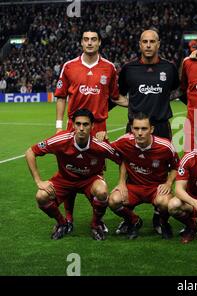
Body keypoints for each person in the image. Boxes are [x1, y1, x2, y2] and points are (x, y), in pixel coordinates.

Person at [54, 29, 120, 231]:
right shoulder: (69, 66)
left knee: (96, 174)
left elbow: (116, 97)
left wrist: (144, 104)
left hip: (99, 129)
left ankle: (96, 221)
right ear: (81, 43)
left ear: (99, 42)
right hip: (73, 128)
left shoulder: (109, 68)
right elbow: (61, 96)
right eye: (86, 39)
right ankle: (69, 219)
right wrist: (58, 127)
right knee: (69, 173)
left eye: (93, 39)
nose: (89, 43)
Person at [117, 29, 180, 234]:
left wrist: (162, 102)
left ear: (158, 44)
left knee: (162, 169)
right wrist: (133, 105)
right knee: (130, 167)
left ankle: (159, 215)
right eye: (145, 41)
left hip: (161, 125)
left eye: (152, 41)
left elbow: (177, 89)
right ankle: (129, 217)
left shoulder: (169, 68)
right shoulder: (128, 69)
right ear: (140, 44)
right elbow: (118, 93)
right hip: (136, 127)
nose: (148, 45)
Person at [25, 108, 121, 240]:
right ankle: (62, 223)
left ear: (92, 126)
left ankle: (95, 224)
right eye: (78, 124)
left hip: (90, 180)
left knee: (102, 191)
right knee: (41, 196)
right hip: (64, 179)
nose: (81, 128)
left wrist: (122, 184)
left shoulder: (100, 145)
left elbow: (122, 160)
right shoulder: (61, 140)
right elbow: (30, 152)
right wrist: (39, 181)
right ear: (73, 125)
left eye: (86, 124)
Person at [109, 112, 179, 239]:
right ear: (131, 129)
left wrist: (168, 183)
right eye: (136, 128)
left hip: (156, 188)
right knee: (114, 200)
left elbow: (176, 167)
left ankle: (161, 222)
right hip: (133, 187)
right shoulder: (124, 141)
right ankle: (133, 220)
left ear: (151, 129)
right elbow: (117, 155)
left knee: (164, 202)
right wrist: (121, 182)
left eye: (144, 128)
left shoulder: (165, 146)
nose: (140, 133)